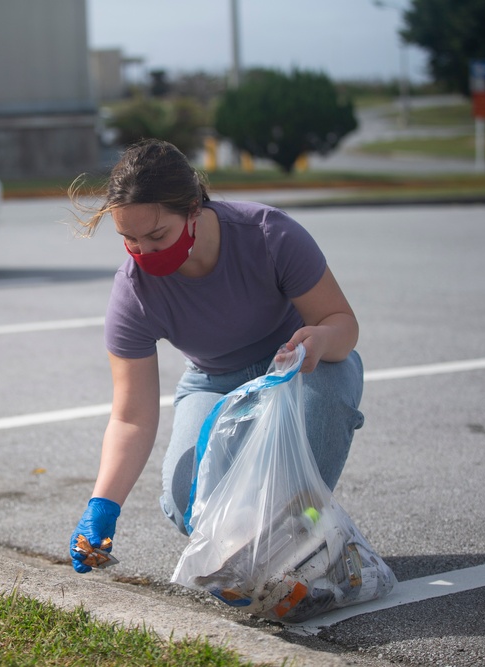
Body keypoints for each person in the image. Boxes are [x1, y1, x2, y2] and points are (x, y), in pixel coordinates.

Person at [68, 139, 365, 574]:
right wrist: (102, 505)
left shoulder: (268, 235)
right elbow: (131, 416)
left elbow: (343, 324)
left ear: (193, 209)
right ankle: (261, 554)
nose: (144, 253)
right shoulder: (134, 292)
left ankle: (310, 528)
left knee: (309, 439)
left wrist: (318, 340)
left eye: (157, 236)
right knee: (186, 500)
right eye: (128, 239)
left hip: (298, 368)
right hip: (214, 380)